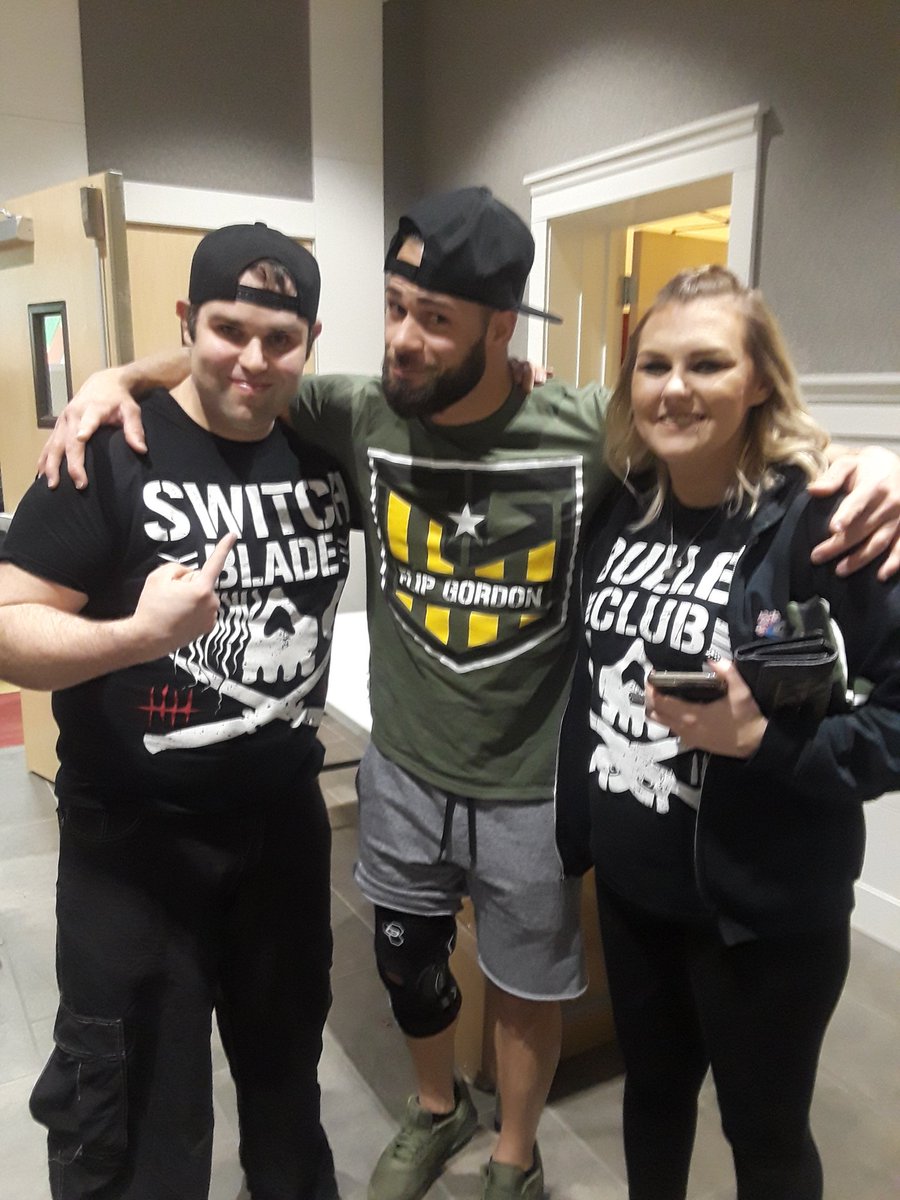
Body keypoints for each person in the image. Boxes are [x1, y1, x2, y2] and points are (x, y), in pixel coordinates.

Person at [37, 189, 900, 1200]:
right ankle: (436, 1106)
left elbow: (724, 441)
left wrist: (865, 460)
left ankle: (514, 1153)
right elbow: (240, 362)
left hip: (534, 779)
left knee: (532, 987)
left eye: (434, 318)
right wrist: (113, 376)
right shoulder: (354, 408)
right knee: (409, 963)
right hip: (407, 763)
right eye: (394, 307)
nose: (402, 338)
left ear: (500, 329)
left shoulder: (591, 430)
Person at [0, 224, 355, 1200]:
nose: (253, 359)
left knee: (287, 1099)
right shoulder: (113, 450)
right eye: (227, 329)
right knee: (141, 1129)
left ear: (311, 342)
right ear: (186, 321)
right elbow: (6, 625)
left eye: (280, 339)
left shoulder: (329, 450)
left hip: (282, 837)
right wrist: (134, 637)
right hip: (134, 848)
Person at [555, 265, 900, 1200]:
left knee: (767, 1140)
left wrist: (769, 743)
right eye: (654, 365)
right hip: (634, 896)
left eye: (706, 364)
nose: (675, 388)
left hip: (763, 919)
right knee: (652, 1098)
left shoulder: (827, 523)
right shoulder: (622, 504)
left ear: (757, 382)